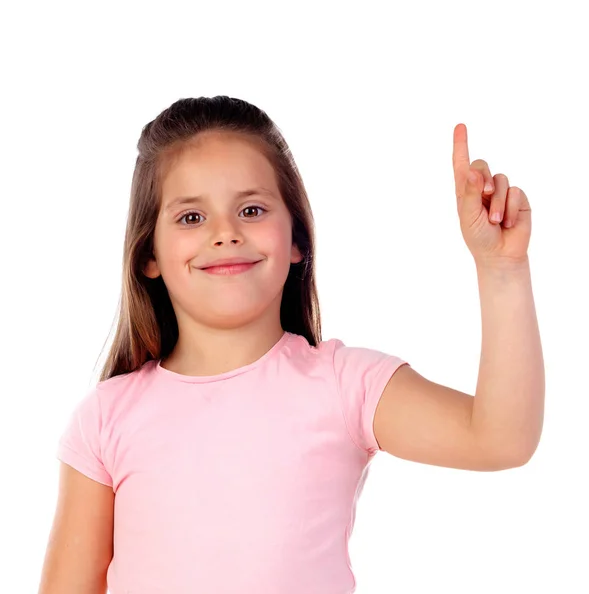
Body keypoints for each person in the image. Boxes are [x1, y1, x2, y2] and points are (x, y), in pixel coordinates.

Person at [37, 96, 544, 593]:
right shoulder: (106, 418)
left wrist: (502, 270)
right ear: (149, 252)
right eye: (192, 218)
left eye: (252, 209)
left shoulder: (345, 386)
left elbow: (499, 439)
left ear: (297, 239)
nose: (225, 233)